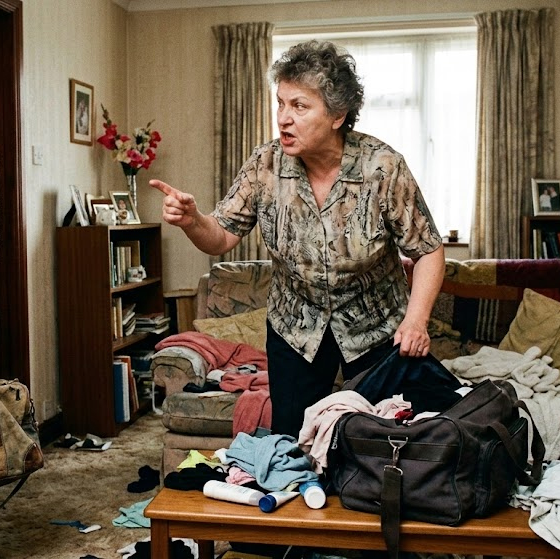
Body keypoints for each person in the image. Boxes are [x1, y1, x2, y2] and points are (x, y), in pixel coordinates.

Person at [149, 40, 445, 440]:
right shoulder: (265, 165)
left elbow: (428, 250)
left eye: (299, 106)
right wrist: (192, 221)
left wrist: (416, 321)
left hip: (376, 329)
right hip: (296, 329)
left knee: (384, 442)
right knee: (293, 443)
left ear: (338, 115)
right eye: (281, 104)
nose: (284, 119)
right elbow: (220, 237)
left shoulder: (383, 168)